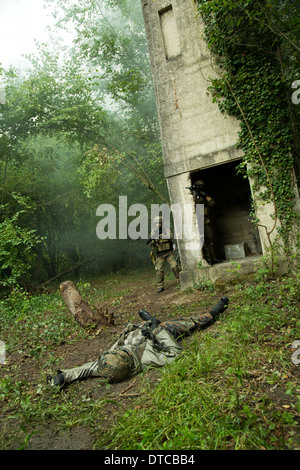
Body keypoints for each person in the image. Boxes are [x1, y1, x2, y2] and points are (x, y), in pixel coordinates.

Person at [47, 296, 229, 387]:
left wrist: (62, 377)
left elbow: (85, 370)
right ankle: (213, 314)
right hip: (161, 332)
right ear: (129, 363)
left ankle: (149, 319)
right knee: (188, 323)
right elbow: (175, 352)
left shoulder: (105, 365)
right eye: (124, 353)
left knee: (147, 322)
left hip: (139, 329)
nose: (121, 350)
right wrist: (156, 330)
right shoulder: (147, 360)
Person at [149, 215, 180, 293]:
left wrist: (163, 235)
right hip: (160, 254)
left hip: (168, 252)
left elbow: (171, 236)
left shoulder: (166, 229)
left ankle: (179, 280)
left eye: (159, 223)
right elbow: (151, 243)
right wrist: (154, 240)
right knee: (159, 270)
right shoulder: (153, 231)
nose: (158, 224)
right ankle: (160, 285)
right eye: (157, 223)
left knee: (175, 266)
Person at [192, 179, 218, 265]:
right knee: (203, 242)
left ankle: (213, 258)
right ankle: (208, 260)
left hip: (206, 221)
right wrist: (194, 197)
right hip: (198, 222)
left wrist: (205, 195)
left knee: (210, 240)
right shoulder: (193, 196)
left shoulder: (203, 195)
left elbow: (212, 203)